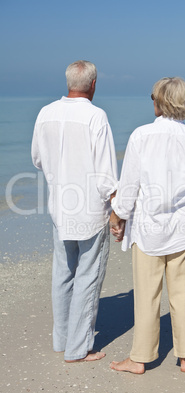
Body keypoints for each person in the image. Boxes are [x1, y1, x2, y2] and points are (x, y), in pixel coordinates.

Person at [109, 77, 185, 374]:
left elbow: (129, 185)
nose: (151, 100)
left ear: (159, 101)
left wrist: (118, 218)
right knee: (183, 294)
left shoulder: (141, 136)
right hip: (184, 228)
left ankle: (140, 359)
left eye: (152, 96)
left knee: (146, 295)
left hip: (148, 229)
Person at [31, 60, 118, 363]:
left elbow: (38, 159)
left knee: (63, 274)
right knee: (88, 276)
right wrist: (117, 209)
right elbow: (107, 174)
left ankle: (62, 340)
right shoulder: (96, 116)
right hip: (91, 209)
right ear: (94, 84)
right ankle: (78, 349)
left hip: (60, 206)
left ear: (67, 81)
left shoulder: (45, 113)